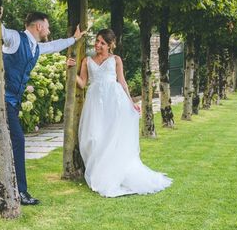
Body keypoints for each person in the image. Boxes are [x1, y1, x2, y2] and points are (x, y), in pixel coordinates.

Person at [0, 12, 85, 205]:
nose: (49, 30)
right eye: (47, 26)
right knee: (18, 140)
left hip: (13, 103)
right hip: (3, 101)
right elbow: (1, 32)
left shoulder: (35, 48)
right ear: (39, 26)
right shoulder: (16, 39)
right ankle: (21, 192)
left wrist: (74, 39)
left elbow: (53, 46)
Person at [74, 28, 172, 197]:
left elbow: (123, 82)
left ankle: (111, 173)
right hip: (95, 103)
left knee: (112, 137)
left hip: (114, 101)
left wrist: (131, 103)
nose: (97, 45)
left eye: (102, 43)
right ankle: (99, 173)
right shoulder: (87, 61)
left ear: (110, 45)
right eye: (97, 41)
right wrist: (69, 70)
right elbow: (82, 83)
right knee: (94, 137)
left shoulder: (116, 60)